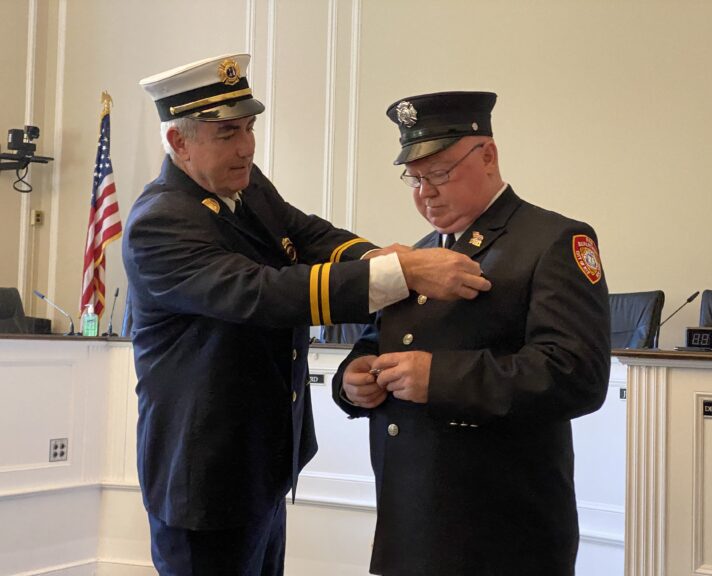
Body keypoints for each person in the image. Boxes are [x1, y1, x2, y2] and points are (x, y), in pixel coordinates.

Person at [122, 56, 490, 576]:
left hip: (260, 463)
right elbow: (263, 294)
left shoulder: (241, 185)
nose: (247, 146)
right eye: (227, 133)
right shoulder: (159, 221)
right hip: (205, 474)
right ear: (179, 143)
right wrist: (401, 275)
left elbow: (308, 235)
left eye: (248, 128)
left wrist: (383, 259)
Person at [332, 91, 611, 576]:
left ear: (488, 155)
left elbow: (576, 374)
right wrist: (352, 381)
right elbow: (380, 342)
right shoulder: (416, 257)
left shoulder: (553, 241)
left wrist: (439, 378)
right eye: (415, 179)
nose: (426, 192)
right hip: (411, 524)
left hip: (500, 533)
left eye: (439, 174)